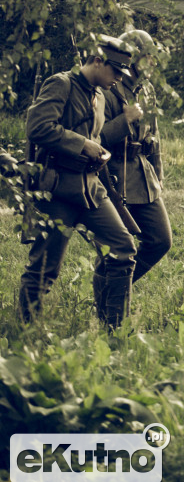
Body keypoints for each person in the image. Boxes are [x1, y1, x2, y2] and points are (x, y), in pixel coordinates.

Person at [17, 36, 138, 328]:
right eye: (116, 72)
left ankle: (114, 328)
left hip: (91, 187)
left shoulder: (98, 93)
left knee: (124, 250)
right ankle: (25, 329)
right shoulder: (62, 84)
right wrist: (82, 143)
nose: (119, 79)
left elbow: (97, 137)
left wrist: (97, 152)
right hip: (58, 188)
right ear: (98, 61)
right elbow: (37, 127)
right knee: (45, 268)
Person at [99, 29, 171, 284]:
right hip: (114, 177)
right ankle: (110, 291)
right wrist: (124, 120)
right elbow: (95, 139)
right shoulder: (107, 88)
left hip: (144, 176)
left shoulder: (147, 89)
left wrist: (158, 174)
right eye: (148, 57)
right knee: (119, 249)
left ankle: (111, 284)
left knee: (161, 240)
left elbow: (155, 136)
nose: (153, 62)